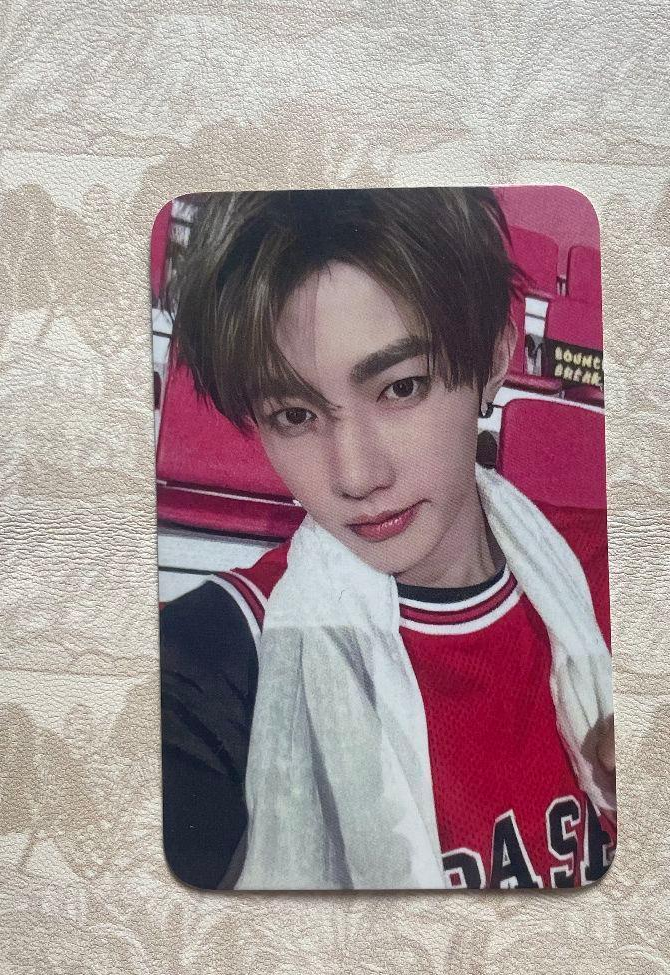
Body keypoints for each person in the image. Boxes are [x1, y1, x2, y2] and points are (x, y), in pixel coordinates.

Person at [158, 187, 616, 890]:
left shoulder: (613, 573)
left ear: (495, 354)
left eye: (401, 387)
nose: (357, 476)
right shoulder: (220, 653)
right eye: (294, 414)